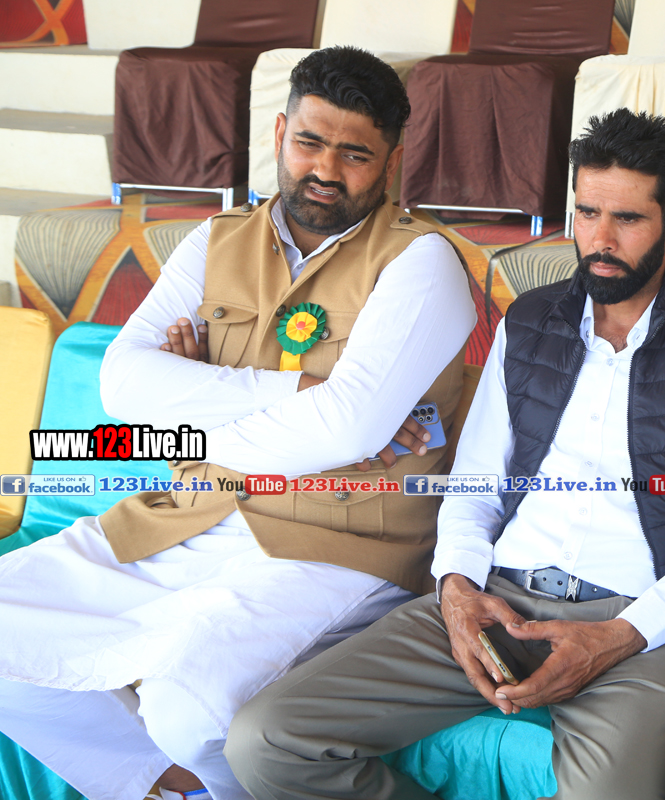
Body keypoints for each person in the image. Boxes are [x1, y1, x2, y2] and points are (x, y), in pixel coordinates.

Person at [224, 108, 665, 800]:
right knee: (265, 740)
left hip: (641, 627)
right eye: (587, 213)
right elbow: (475, 485)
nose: (600, 240)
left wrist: (623, 634)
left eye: (628, 219)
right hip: (498, 599)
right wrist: (457, 587)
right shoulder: (530, 322)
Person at [0, 46, 476, 800]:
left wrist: (191, 408)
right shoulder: (216, 241)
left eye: (355, 154)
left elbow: (344, 431)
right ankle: (166, 786)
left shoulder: (421, 263)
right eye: (310, 142)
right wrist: (299, 392)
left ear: (392, 160)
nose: (325, 169)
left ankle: (189, 775)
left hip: (338, 541)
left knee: (185, 707)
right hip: (187, 513)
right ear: (280, 133)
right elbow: (122, 386)